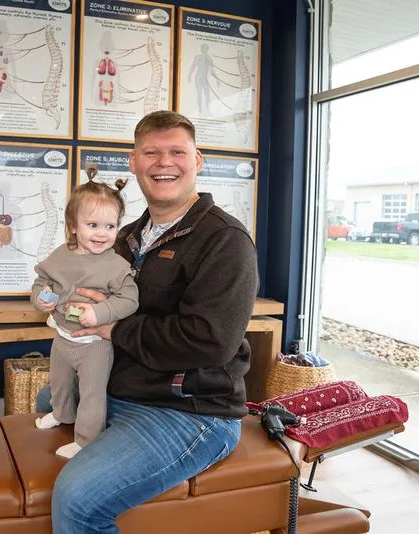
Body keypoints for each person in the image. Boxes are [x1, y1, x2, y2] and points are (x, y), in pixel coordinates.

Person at [47, 110, 259, 533]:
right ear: (133, 162)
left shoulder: (225, 241)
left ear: (197, 161)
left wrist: (110, 327)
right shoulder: (125, 237)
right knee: (46, 399)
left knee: (77, 500)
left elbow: (208, 341)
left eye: (177, 152)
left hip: (189, 411)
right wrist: (63, 302)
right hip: (125, 385)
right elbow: (91, 296)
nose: (164, 162)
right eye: (152, 152)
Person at [30, 171, 139, 459]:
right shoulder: (60, 256)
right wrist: (40, 298)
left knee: (92, 393)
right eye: (93, 225)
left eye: (110, 226)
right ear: (73, 225)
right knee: (59, 382)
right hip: (62, 338)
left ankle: (86, 440)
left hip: (95, 346)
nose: (102, 234)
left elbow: (130, 300)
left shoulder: (115, 265)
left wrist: (100, 311)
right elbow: (42, 282)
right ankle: (61, 414)